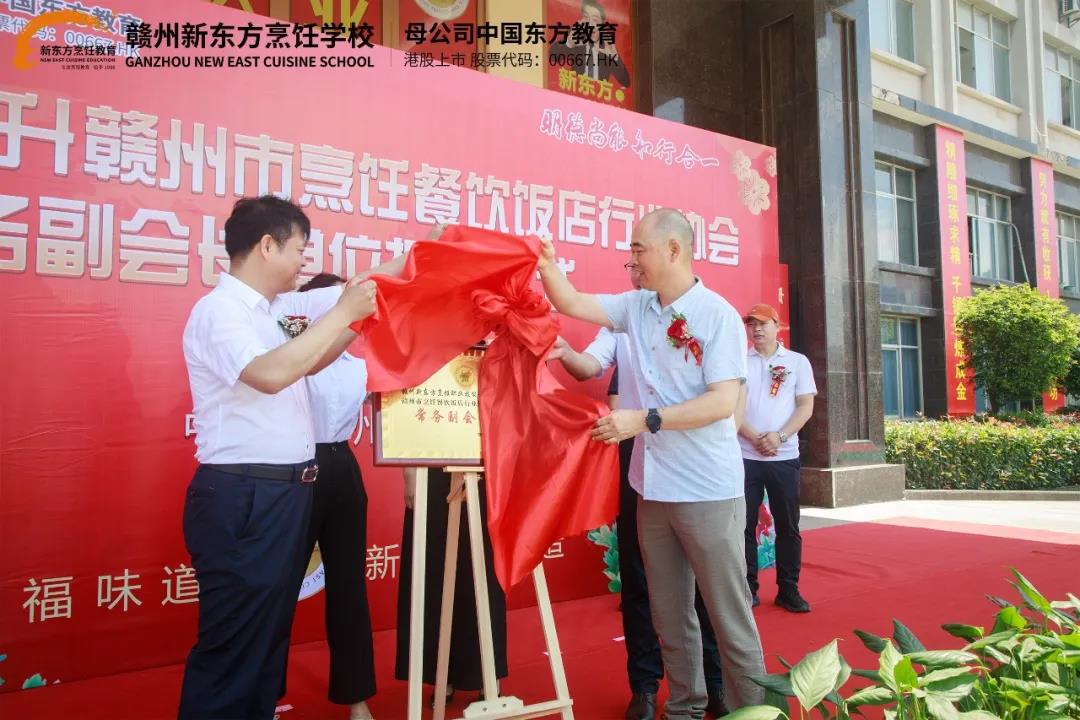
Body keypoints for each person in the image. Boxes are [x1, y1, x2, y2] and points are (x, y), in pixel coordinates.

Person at [537, 208, 766, 719]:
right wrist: (547, 264)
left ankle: (758, 711)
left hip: (708, 489)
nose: (632, 257)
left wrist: (646, 420)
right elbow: (571, 301)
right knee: (670, 616)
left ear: (673, 250)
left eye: (639, 247)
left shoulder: (717, 315)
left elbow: (722, 401)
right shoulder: (635, 307)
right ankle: (684, 707)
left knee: (728, 616)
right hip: (653, 490)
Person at [179, 195, 377, 720]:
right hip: (244, 496)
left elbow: (313, 356)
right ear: (266, 246)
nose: (302, 263)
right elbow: (269, 375)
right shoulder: (220, 312)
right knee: (234, 648)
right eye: (298, 249)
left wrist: (430, 254)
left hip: (284, 493)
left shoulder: (274, 314)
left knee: (263, 644)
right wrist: (343, 315)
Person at [551, 262, 729, 720]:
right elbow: (588, 366)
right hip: (641, 460)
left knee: (708, 585)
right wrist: (563, 348)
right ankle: (646, 687)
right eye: (630, 263)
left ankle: (716, 685)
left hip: (697, 464)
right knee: (640, 581)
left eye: (640, 258)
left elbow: (725, 396)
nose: (635, 270)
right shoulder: (624, 319)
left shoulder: (704, 316)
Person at [297, 272, 376, 719]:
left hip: (342, 470)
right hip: (294, 466)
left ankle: (357, 699)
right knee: (275, 587)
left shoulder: (361, 366)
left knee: (348, 587)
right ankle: (261, 695)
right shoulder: (295, 359)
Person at [394, 467, 508, 707]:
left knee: (483, 567)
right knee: (434, 564)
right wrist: (409, 471)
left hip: (485, 460)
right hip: (432, 460)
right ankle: (440, 674)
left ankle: (488, 673)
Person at [739, 304, 816, 613]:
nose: (756, 329)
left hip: (784, 457)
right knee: (743, 526)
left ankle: (788, 589)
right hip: (745, 455)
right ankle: (748, 588)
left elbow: (805, 407)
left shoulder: (797, 362)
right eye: (751, 324)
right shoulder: (739, 361)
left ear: (777, 325)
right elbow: (731, 406)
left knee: (788, 526)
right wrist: (753, 436)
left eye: (762, 323)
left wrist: (779, 437)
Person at [548, 0, 630, 86]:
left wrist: (614, 58)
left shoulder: (606, 46)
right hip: (575, 93)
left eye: (595, 20)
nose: (590, 24)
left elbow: (625, 82)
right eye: (586, 18)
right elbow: (551, 57)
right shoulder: (576, 38)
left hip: (600, 95)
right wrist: (569, 43)